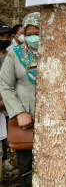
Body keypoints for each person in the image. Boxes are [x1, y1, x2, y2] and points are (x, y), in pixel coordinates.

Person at [0, 12, 40, 187]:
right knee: (27, 167)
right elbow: (5, 86)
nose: (32, 38)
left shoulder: (58, 51)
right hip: (27, 121)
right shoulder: (15, 54)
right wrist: (19, 112)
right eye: (28, 34)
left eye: (37, 33)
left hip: (56, 120)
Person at [0, 22, 13, 179]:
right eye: (2, 36)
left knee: (4, 135)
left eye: (8, 36)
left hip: (6, 108)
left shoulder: (11, 56)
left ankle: (4, 160)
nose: (5, 39)